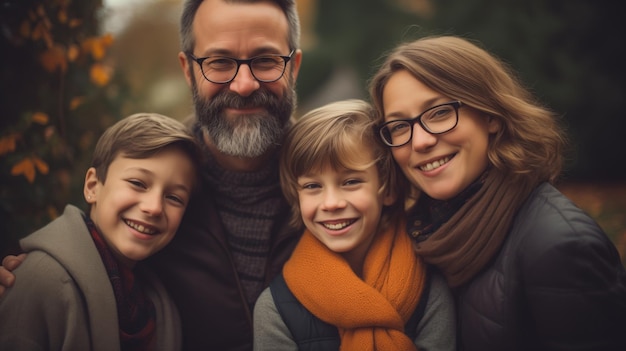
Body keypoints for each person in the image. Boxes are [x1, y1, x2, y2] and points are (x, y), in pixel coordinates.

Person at [1, 0, 303, 349]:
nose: (245, 84)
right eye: (220, 62)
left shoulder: (344, 183)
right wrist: (27, 284)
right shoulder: (152, 193)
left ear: (293, 66)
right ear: (188, 70)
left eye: (265, 61)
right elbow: (80, 259)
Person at [369, 35, 626, 351]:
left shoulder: (560, 246)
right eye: (398, 126)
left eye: (438, 112)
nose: (420, 141)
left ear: (489, 115)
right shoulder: (419, 230)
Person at [253, 99, 456, 351]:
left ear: (388, 188)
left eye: (350, 182)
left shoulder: (430, 289)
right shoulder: (276, 308)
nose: (331, 203)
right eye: (312, 186)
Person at [0, 112, 202, 350]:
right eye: (138, 183)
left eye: (174, 197)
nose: (155, 207)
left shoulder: (159, 306)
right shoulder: (41, 282)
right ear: (93, 186)